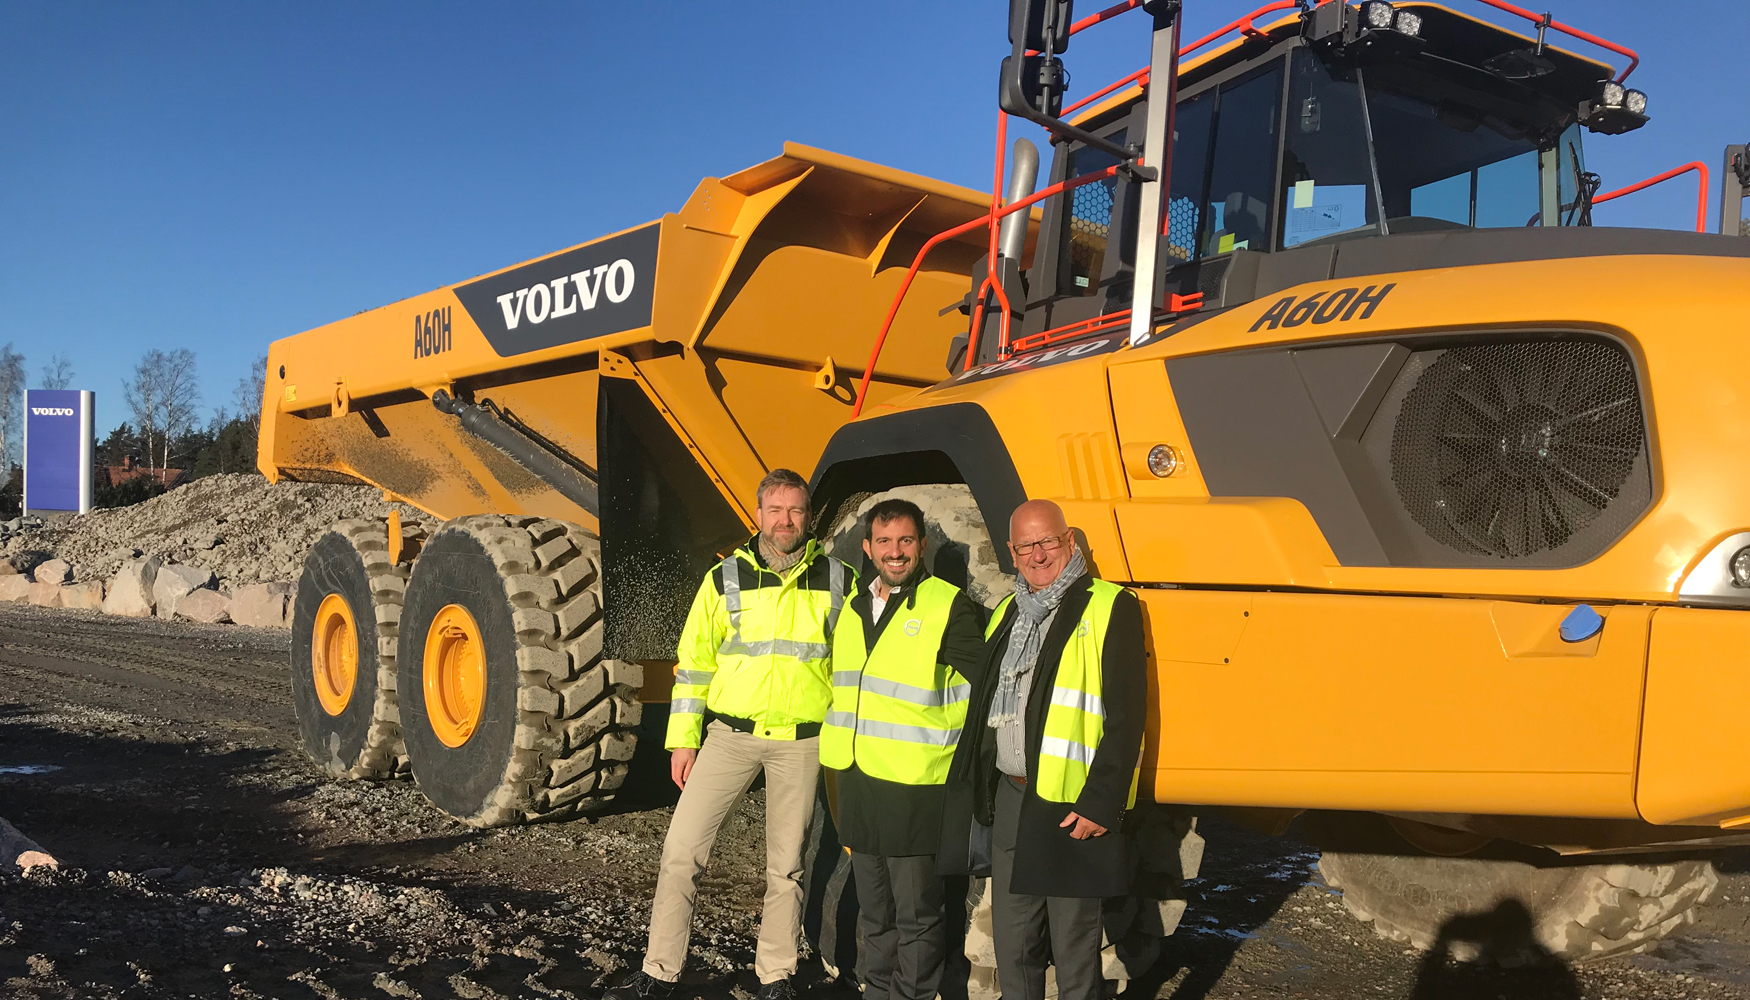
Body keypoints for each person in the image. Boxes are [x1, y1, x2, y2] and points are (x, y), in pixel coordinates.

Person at [608, 469, 851, 1000]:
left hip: (802, 743)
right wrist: (683, 739)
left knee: (786, 868)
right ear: (758, 515)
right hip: (729, 737)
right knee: (680, 852)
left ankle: (776, 976)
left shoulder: (840, 579)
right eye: (775, 510)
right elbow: (693, 663)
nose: (786, 521)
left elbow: (853, 663)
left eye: (796, 511)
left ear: (809, 516)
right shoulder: (724, 579)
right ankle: (660, 971)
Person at [938, 499, 1147, 1000]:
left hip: (1070, 806)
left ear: (1069, 541)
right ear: (1011, 551)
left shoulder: (1109, 605)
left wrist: (1101, 803)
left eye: (1047, 541)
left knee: (1075, 952)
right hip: (1011, 797)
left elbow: (1127, 716)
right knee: (1014, 946)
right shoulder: (1011, 611)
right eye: (1026, 545)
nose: (1038, 554)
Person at [820, 498, 986, 1000]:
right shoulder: (851, 609)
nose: (896, 553)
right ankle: (877, 993)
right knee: (876, 910)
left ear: (922, 546)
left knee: (917, 914)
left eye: (906, 541)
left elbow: (986, 688)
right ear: (868, 549)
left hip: (915, 788)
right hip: (857, 782)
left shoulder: (947, 605)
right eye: (885, 542)